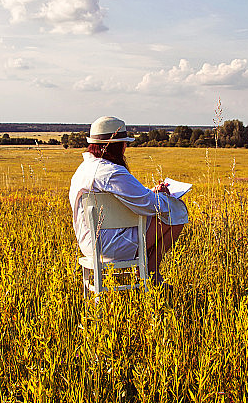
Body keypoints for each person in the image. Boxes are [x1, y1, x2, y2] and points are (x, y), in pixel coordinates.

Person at [69, 116, 188, 285]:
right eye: (124, 143)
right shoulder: (112, 171)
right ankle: (151, 272)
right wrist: (164, 196)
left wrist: (151, 193)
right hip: (113, 246)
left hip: (89, 244)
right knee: (176, 212)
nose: (125, 147)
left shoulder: (84, 169)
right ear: (117, 145)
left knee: (168, 211)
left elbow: (121, 200)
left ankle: (148, 270)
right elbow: (150, 205)